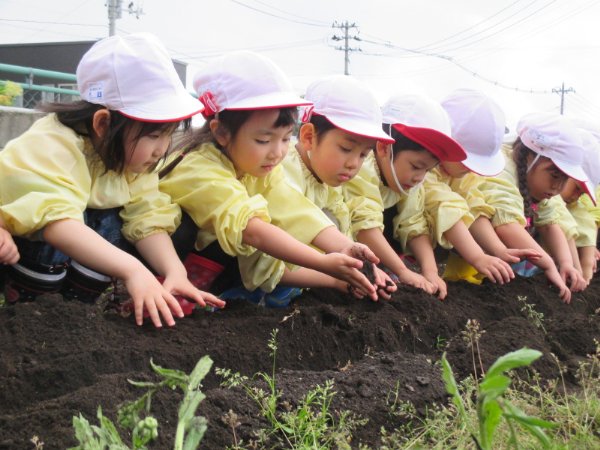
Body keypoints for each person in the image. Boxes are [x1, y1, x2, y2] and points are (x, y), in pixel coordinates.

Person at [0, 33, 224, 328]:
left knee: (115, 220)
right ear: (103, 123)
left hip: (60, 240)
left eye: (169, 134)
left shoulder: (129, 157)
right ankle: (34, 312)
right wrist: (134, 271)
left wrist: (175, 272)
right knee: (76, 221)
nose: (162, 148)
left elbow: (146, 215)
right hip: (19, 242)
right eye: (154, 135)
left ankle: (77, 314)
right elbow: (56, 223)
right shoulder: (54, 144)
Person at [159, 51, 385, 307]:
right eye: (264, 140)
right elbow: (253, 231)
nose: (278, 152)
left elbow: (294, 210)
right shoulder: (198, 168)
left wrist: (346, 248)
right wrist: (323, 263)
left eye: (286, 138)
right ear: (221, 132)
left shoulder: (258, 169)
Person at [284, 75, 433, 295]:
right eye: (345, 148)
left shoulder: (327, 181)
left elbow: (342, 236)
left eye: (363, 154)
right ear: (308, 137)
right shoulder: (285, 173)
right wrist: (337, 280)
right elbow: (267, 268)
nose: (354, 164)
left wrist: (368, 271)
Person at [474, 112, 590, 303]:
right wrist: (549, 265)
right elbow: (506, 224)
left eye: (565, 179)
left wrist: (566, 263)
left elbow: (550, 223)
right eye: (554, 175)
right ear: (528, 156)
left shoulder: (539, 185)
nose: (558, 187)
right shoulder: (502, 169)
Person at [437, 89, 541, 284]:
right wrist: (478, 256)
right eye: (468, 161)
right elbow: (445, 209)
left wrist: (499, 250)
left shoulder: (461, 176)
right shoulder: (427, 173)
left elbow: (474, 207)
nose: (470, 170)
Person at [557, 128, 600, 283]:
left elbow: (587, 220)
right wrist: (577, 267)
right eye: (576, 188)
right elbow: (561, 220)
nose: (576, 197)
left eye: (582, 194)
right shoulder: (552, 198)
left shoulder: (573, 202)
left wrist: (586, 267)